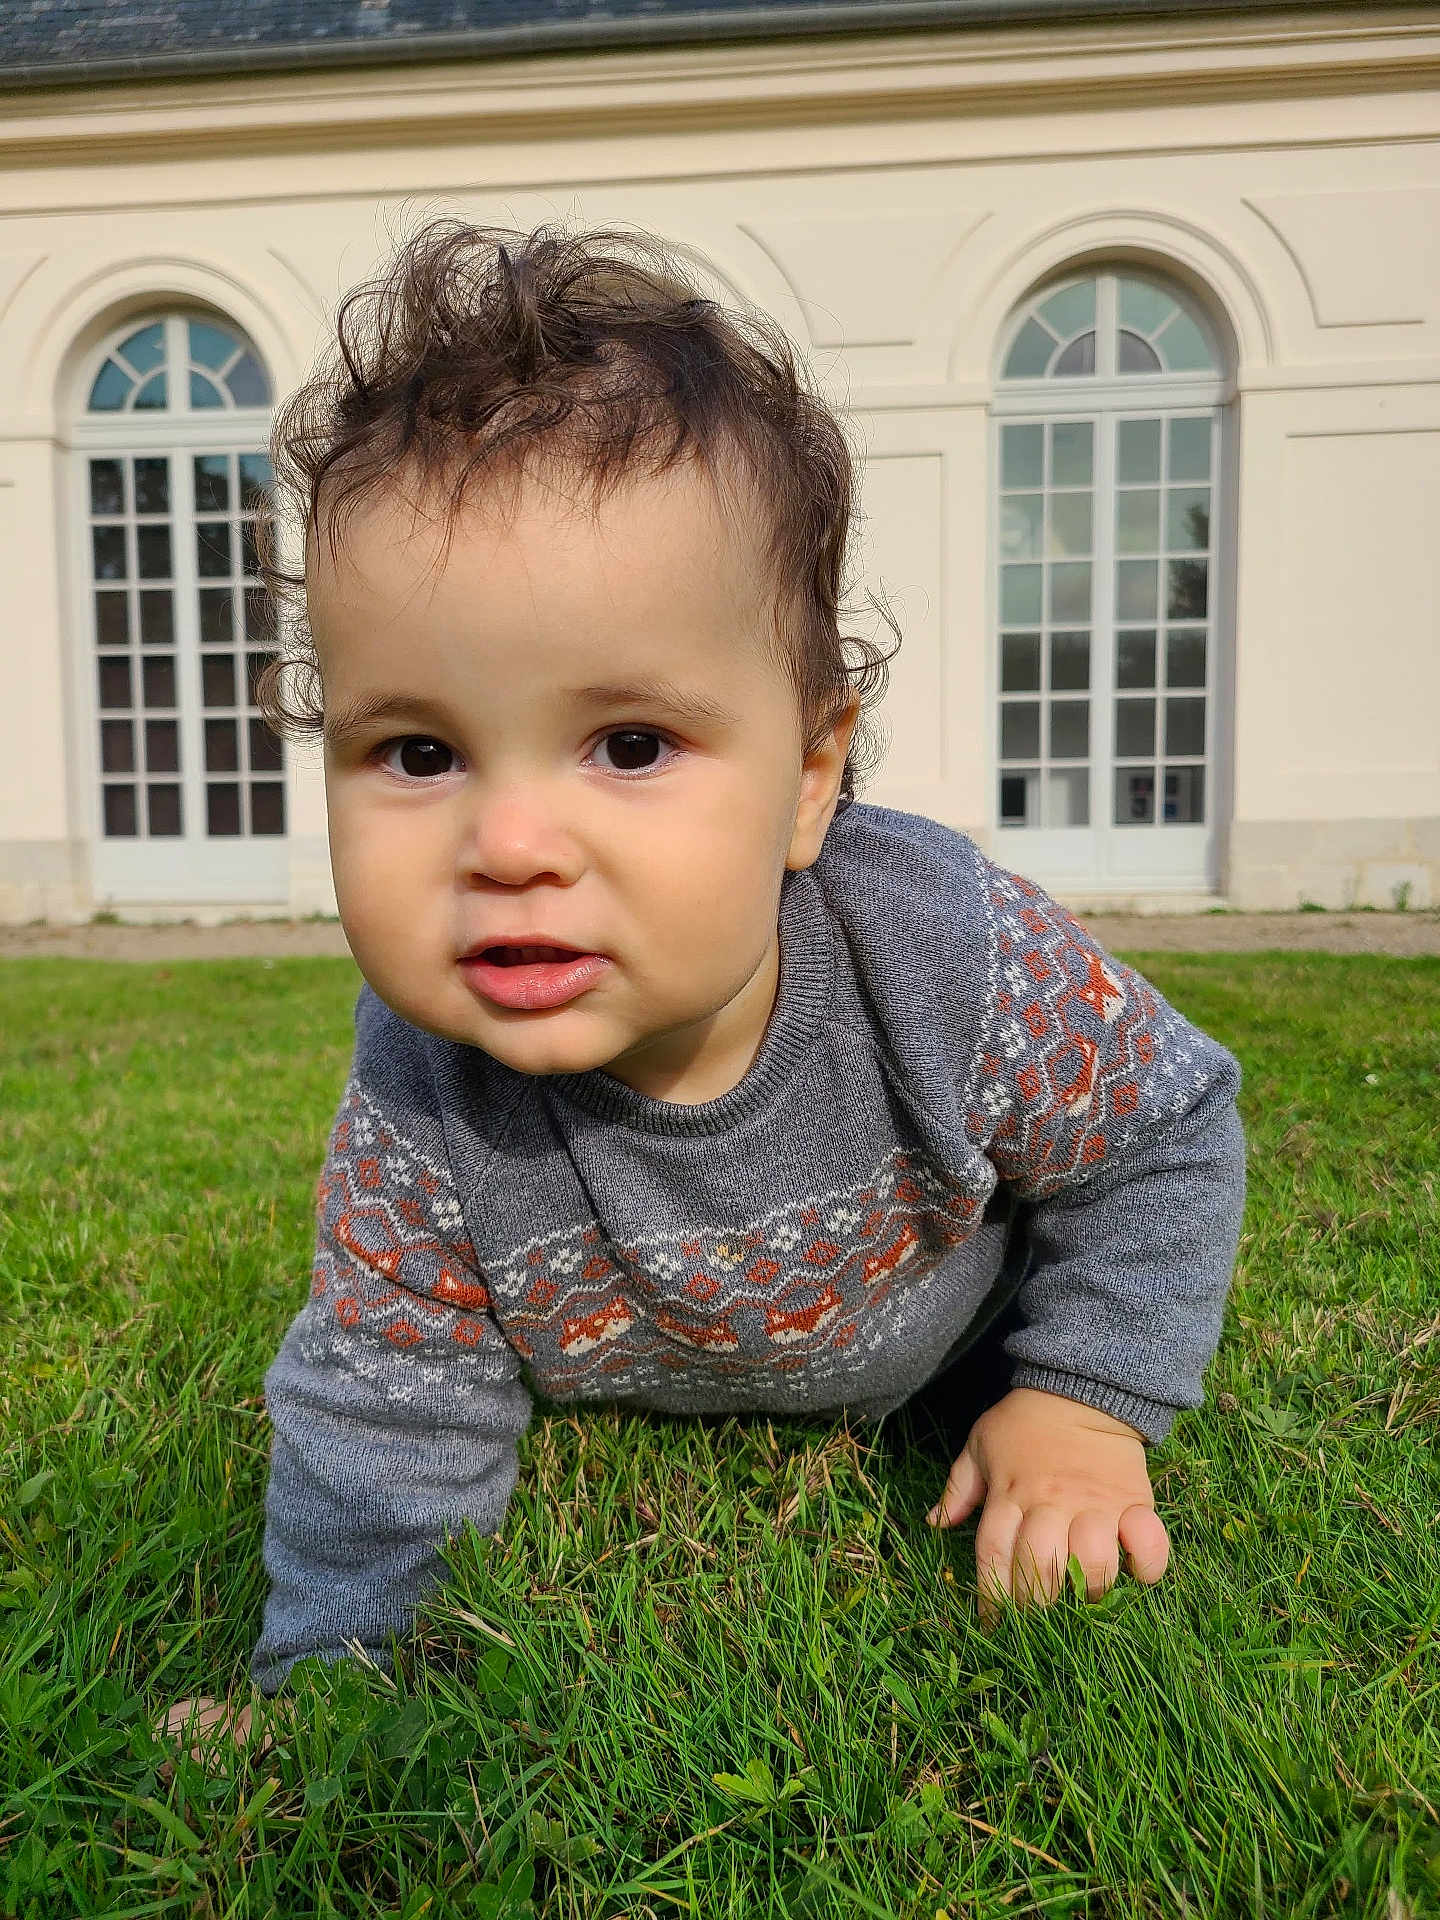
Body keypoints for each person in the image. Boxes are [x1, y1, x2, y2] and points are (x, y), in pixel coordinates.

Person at [162, 217, 1245, 1760]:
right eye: (418, 753)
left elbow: (1165, 1129)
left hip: (943, 1344)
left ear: (810, 778)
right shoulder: (424, 1089)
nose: (513, 844)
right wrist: (345, 1678)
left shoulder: (931, 950)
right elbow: (388, 1399)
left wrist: (1082, 1396)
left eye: (629, 745)